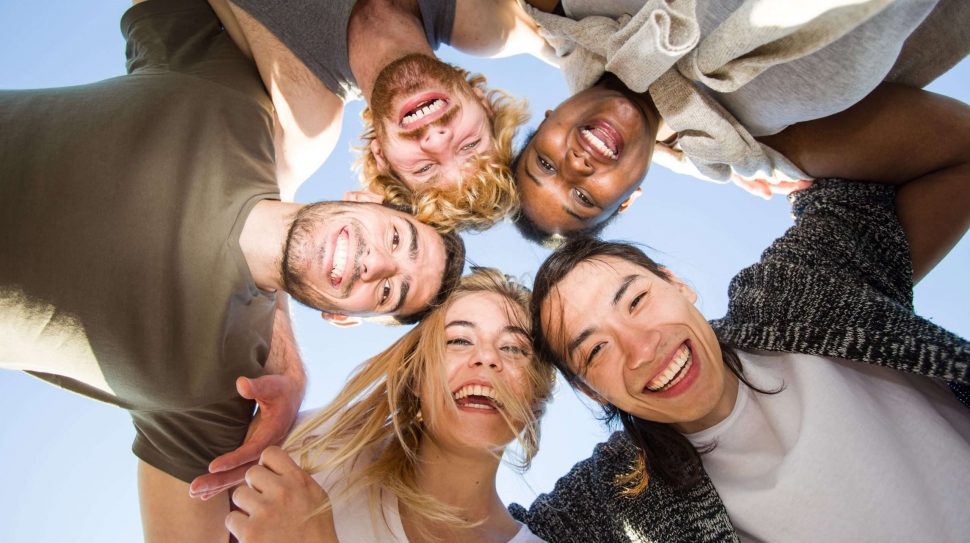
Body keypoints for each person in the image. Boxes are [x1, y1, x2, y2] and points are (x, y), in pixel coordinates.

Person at [0, 1, 465, 540]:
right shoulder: (237, 104)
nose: (377, 262)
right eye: (396, 238)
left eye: (388, 291)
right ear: (364, 198)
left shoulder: (220, 390)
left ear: (344, 318)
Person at [510, 170, 970, 539]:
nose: (643, 348)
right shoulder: (612, 493)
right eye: (596, 349)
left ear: (677, 285)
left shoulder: (791, 294)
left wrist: (735, 150)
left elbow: (931, 158)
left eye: (636, 301)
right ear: (592, 391)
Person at [510, 0, 970, 245]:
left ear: (548, 117)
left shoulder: (564, 12)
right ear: (629, 202)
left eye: (546, 164)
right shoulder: (761, 146)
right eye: (584, 198)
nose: (574, 168)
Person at [220, 268, 556, 543]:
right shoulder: (314, 446)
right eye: (458, 340)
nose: (486, 358)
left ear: (538, 395)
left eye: (513, 348)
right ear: (416, 378)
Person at [206, 0, 555, 231]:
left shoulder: (305, 118)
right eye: (469, 145)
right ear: (484, 104)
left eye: (424, 168)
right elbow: (582, 47)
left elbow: (256, 221)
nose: (436, 140)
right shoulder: (485, 22)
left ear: (381, 159)